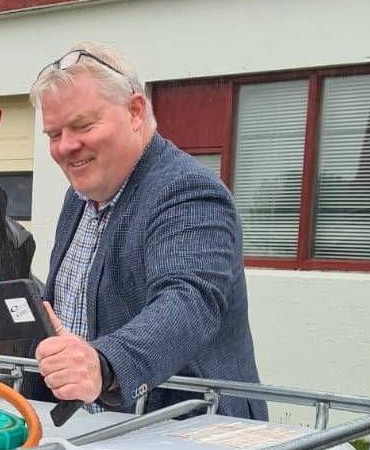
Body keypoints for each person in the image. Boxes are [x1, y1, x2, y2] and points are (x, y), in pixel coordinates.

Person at [30, 43, 266, 420]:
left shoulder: (188, 192)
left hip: (196, 441)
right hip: (106, 435)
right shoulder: (79, 198)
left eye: (84, 125)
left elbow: (187, 302)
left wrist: (104, 364)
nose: (66, 146)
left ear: (135, 111)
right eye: (54, 134)